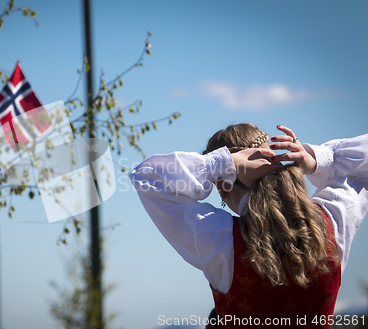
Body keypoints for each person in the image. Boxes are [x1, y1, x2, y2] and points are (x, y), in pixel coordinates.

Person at [130, 123, 368, 328]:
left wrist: (223, 162)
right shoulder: (333, 220)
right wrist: (319, 159)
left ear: (222, 187)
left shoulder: (217, 238)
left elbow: (147, 178)